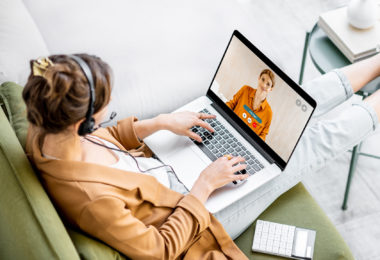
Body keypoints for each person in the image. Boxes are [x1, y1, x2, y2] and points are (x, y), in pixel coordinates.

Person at [23, 53, 380, 259]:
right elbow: (159, 251)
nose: (110, 110)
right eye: (104, 108)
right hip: (192, 212)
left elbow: (108, 138)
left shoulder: (45, 125)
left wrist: (161, 123)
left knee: (300, 100)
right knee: (311, 145)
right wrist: (204, 186)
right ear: (79, 123)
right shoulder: (91, 199)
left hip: (162, 166)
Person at [226, 69, 275, 141]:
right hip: (229, 130)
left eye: (268, 84)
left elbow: (263, 136)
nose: (264, 85)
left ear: (271, 89)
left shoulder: (268, 113)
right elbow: (231, 104)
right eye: (263, 79)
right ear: (259, 78)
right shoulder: (245, 90)